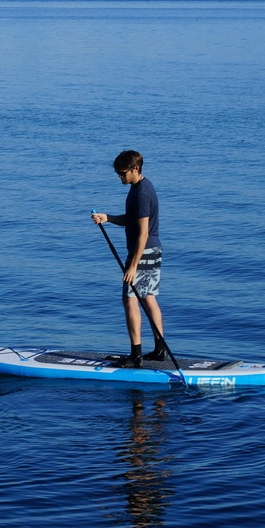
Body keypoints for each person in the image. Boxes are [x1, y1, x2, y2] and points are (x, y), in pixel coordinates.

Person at [91, 150, 166, 368]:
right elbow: (132, 220)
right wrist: (108, 218)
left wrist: (133, 266)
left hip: (142, 252)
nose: (120, 177)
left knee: (130, 299)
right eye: (117, 173)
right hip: (152, 250)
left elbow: (142, 232)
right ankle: (160, 351)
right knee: (148, 298)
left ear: (135, 169)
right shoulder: (140, 187)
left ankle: (136, 355)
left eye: (122, 173)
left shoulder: (142, 193)